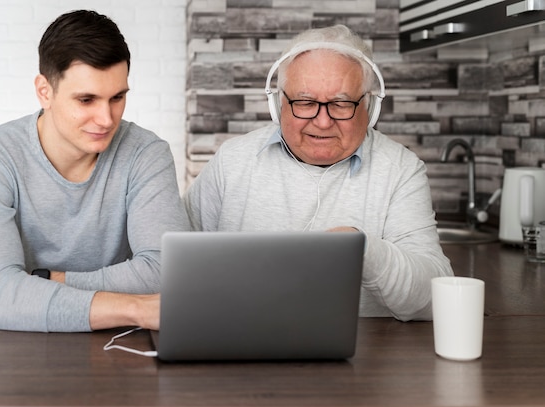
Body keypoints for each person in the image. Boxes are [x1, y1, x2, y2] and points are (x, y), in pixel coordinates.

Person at [183, 25, 454, 321]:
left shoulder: (402, 170)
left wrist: (364, 252)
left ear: (370, 107)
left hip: (364, 357)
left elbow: (434, 299)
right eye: (305, 102)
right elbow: (171, 263)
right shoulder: (231, 162)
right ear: (278, 105)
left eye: (340, 104)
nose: (322, 122)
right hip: (239, 340)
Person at [0, 10, 189, 332]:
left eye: (117, 97)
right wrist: (136, 308)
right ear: (44, 91)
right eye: (86, 99)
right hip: (23, 348)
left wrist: (49, 281)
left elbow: (167, 272)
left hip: (121, 347)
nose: (107, 119)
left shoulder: (146, 154)